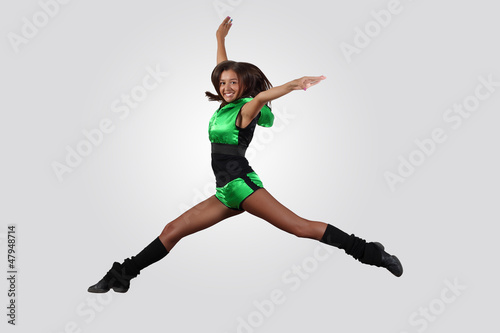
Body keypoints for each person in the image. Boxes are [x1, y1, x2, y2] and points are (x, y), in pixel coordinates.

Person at [88, 17, 402, 294]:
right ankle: (123, 275)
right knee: (172, 231)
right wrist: (220, 40)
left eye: (232, 83)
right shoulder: (225, 105)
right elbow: (224, 69)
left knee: (300, 227)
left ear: (243, 87)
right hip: (225, 191)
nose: (226, 87)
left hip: (242, 185)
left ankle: (372, 253)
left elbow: (263, 95)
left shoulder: (247, 109)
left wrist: (294, 84)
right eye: (222, 82)